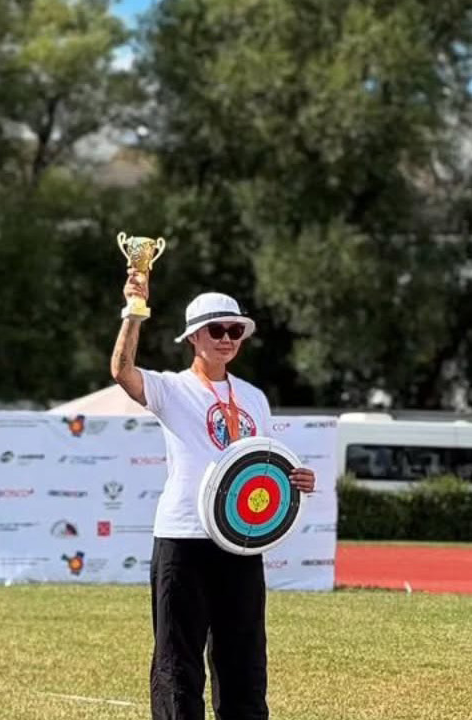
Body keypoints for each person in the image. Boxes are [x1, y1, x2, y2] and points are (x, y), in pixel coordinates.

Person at [111, 275, 317, 720]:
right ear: (194, 338)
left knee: (244, 657)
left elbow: (261, 464)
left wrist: (294, 478)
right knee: (177, 660)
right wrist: (134, 310)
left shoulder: (255, 398)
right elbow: (121, 370)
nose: (227, 339)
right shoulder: (170, 387)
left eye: (235, 330)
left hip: (241, 538)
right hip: (183, 537)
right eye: (217, 330)